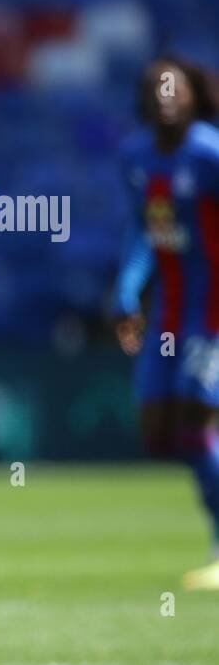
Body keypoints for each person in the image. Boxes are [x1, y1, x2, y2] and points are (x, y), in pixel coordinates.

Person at [112, 56, 219, 590]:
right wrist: (127, 290)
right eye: (158, 88)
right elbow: (145, 231)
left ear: (196, 97)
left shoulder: (209, 155)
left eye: (176, 88)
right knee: (160, 431)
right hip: (171, 312)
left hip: (215, 310)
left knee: (198, 417)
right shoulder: (137, 159)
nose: (167, 96)